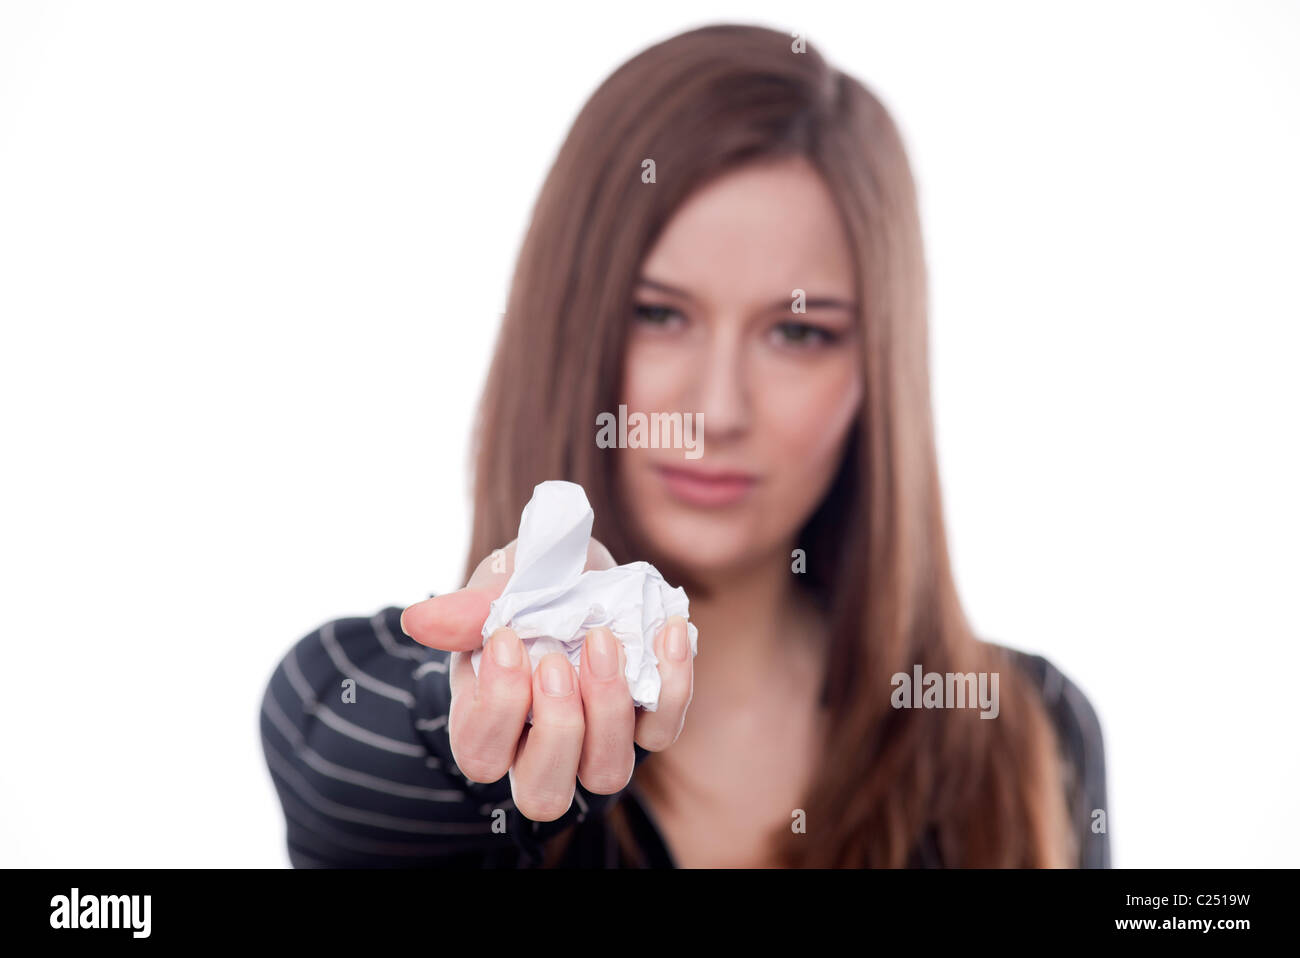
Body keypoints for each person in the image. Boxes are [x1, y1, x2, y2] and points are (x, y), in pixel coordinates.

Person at [260, 23, 1110, 868]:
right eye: (659, 315)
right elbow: (345, 744)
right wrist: (492, 693)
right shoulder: (357, 728)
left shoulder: (1028, 734)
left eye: (798, 333)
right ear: (571, 328)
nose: (715, 410)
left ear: (878, 370)